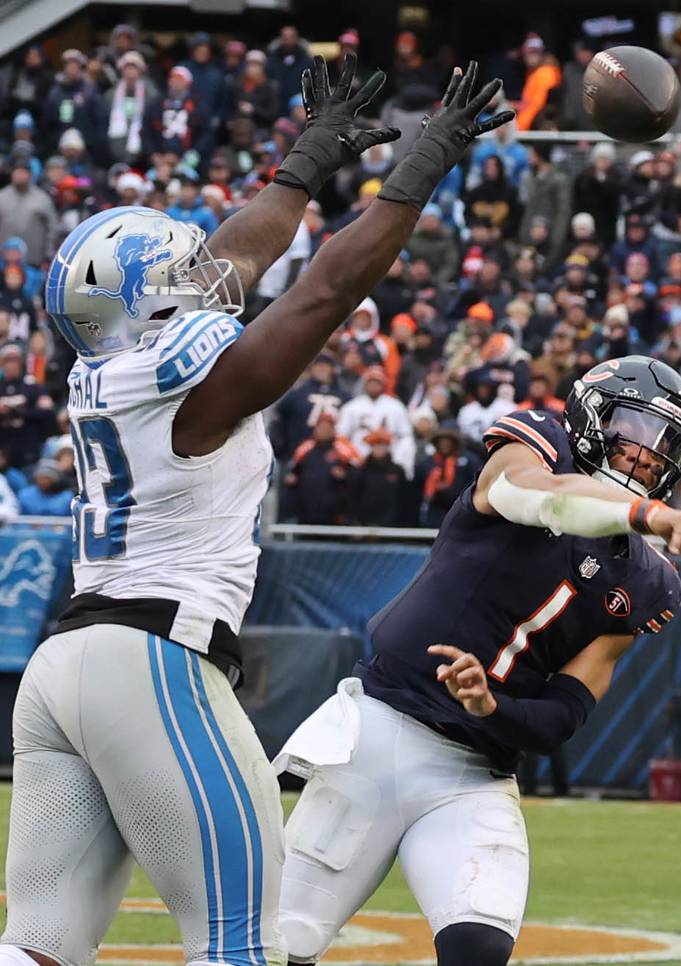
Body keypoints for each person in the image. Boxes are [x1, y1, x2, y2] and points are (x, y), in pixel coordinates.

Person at [1, 53, 511, 966]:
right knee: (240, 942)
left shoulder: (107, 365)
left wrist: (308, 157)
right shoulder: (193, 391)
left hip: (63, 671)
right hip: (154, 662)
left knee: (38, 947)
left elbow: (238, 255)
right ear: (153, 303)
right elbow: (322, 291)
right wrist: (422, 165)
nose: (207, 274)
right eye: (181, 273)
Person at [276, 356, 681, 966]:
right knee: (281, 945)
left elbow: (560, 717)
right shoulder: (538, 447)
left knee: (479, 948)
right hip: (379, 734)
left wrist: (491, 703)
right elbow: (540, 499)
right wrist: (647, 514)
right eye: (635, 428)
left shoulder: (651, 584)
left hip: (475, 773)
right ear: (591, 415)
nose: (645, 455)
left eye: (665, 445)